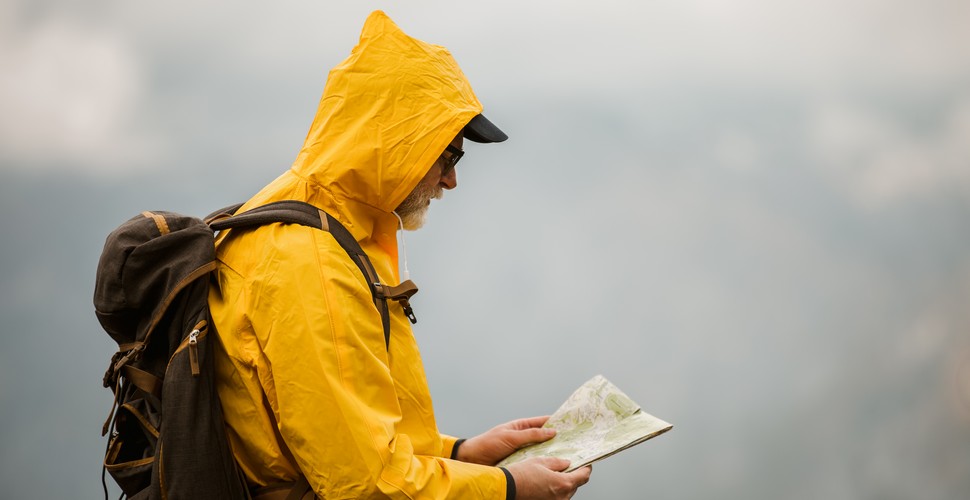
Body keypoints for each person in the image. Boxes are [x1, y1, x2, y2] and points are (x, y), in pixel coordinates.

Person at [208, 10, 592, 500]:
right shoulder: (311, 264)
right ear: (397, 143)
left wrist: (461, 453)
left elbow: (350, 437)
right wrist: (508, 488)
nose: (451, 180)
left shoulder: (312, 217)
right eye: (447, 155)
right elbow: (365, 486)